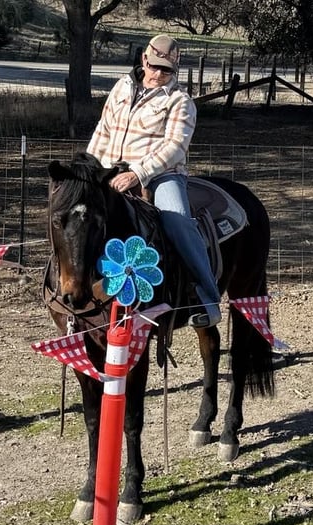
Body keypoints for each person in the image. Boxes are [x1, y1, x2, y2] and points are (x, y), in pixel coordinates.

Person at [86, 34, 222, 328]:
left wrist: (137, 174)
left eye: (167, 70)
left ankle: (206, 299)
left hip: (161, 176)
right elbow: (103, 130)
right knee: (78, 216)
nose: (159, 74)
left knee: (176, 219)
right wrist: (89, 169)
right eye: (155, 66)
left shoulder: (180, 101)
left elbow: (174, 147)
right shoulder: (121, 87)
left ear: (176, 69)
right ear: (144, 60)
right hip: (110, 170)